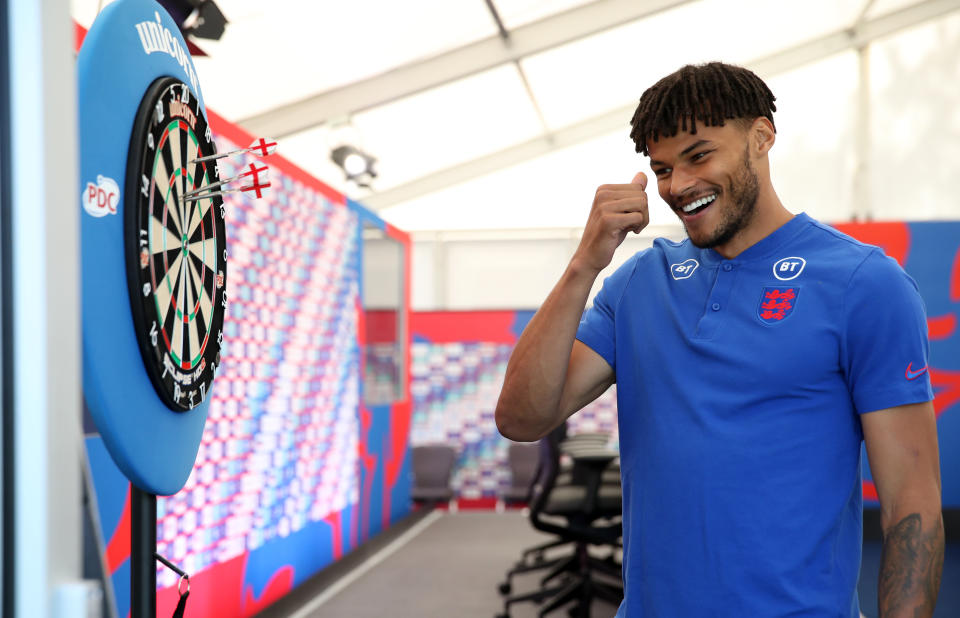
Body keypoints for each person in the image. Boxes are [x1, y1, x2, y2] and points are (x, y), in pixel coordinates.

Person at [495, 62, 943, 617]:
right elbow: (520, 418)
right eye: (661, 169)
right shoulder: (637, 282)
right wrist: (585, 264)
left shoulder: (865, 283)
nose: (678, 186)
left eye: (699, 155)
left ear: (761, 137)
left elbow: (910, 505)